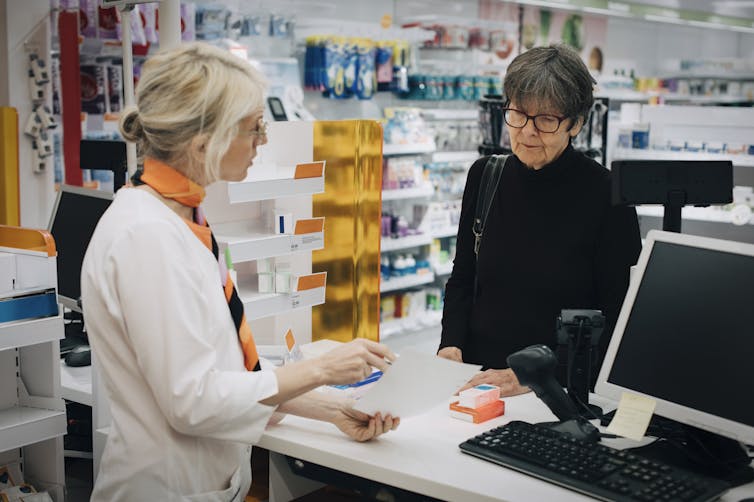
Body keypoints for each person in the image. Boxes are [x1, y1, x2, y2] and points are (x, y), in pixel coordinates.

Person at [80, 42, 399, 501]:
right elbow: (193, 402)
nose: (262, 141)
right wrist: (322, 370)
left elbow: (231, 370)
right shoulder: (146, 237)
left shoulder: (182, 216)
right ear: (204, 139)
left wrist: (330, 409)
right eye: (254, 128)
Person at [437, 44, 641, 397]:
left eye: (546, 119)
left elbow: (617, 316)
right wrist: (450, 346)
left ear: (576, 123)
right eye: (518, 113)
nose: (528, 131)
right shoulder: (485, 176)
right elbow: (463, 278)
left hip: (555, 391)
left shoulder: (608, 196)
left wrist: (533, 378)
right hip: (475, 382)